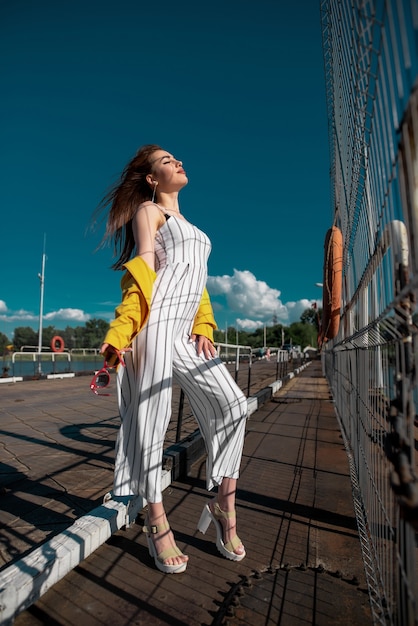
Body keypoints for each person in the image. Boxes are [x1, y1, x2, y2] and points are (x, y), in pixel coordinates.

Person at [98, 144, 248, 574]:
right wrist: (122, 329)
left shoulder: (191, 226)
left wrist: (205, 323)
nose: (177, 162)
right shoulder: (150, 212)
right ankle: (156, 520)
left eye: (176, 158)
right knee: (153, 419)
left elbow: (194, 282)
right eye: (166, 161)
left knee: (234, 405)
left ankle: (224, 509)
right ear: (151, 179)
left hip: (184, 331)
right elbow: (145, 268)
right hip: (155, 325)